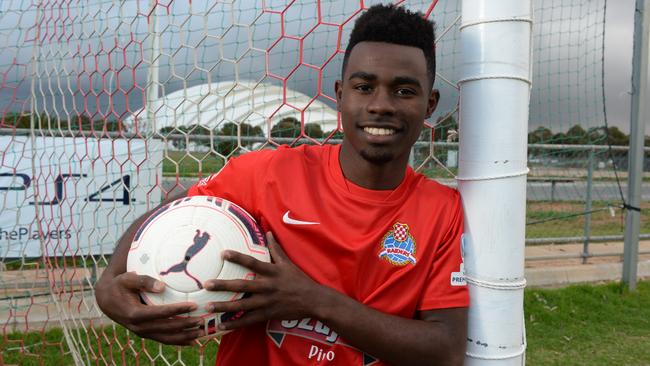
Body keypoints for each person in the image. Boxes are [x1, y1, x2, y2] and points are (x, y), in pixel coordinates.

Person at [95, 4, 469, 365]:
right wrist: (109, 284)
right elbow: (175, 210)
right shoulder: (266, 174)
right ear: (340, 94)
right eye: (364, 87)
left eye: (404, 91)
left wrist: (311, 299)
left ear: (430, 103)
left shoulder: (443, 211)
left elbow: (445, 350)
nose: (381, 105)